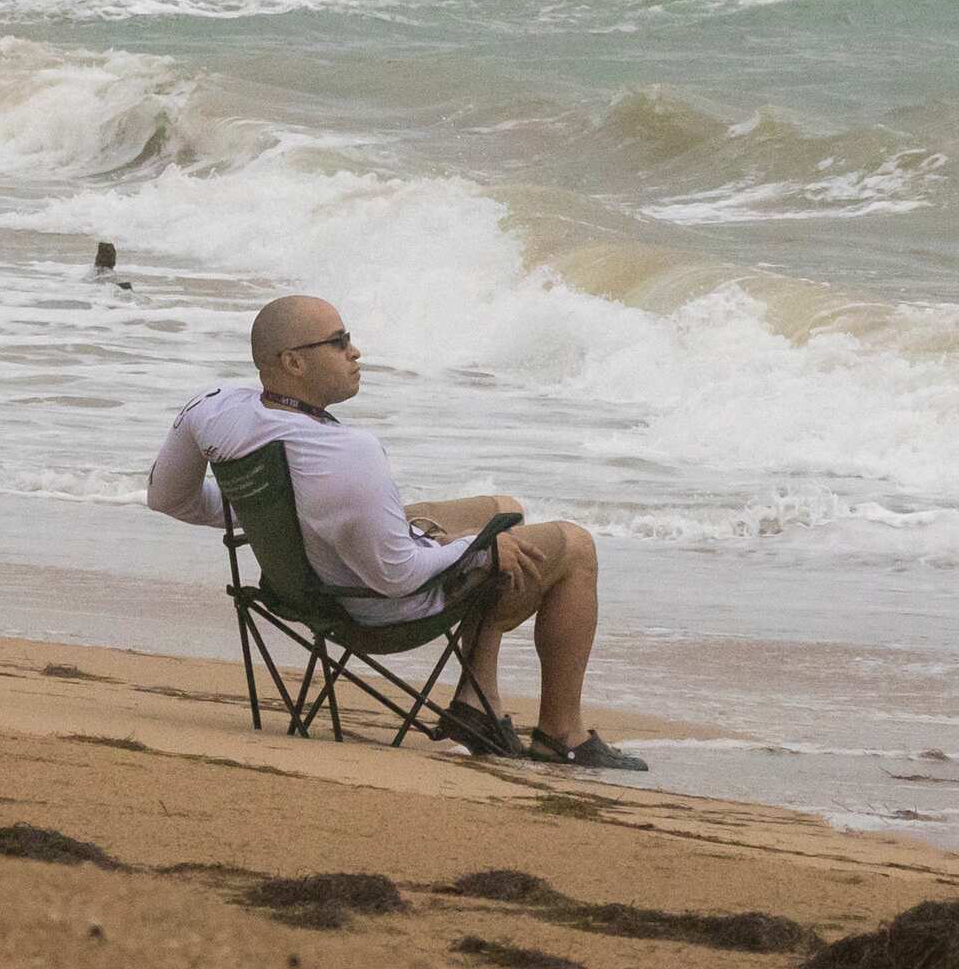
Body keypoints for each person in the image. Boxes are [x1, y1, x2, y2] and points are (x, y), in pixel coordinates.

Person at [145, 293, 643, 771]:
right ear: (294, 362)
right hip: (376, 612)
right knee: (574, 545)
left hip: (305, 586)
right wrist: (474, 547)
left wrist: (275, 517)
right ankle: (562, 735)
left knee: (504, 509)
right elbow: (397, 577)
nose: (354, 351)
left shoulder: (212, 408)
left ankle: (477, 695)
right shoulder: (348, 453)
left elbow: (169, 498)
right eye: (339, 342)